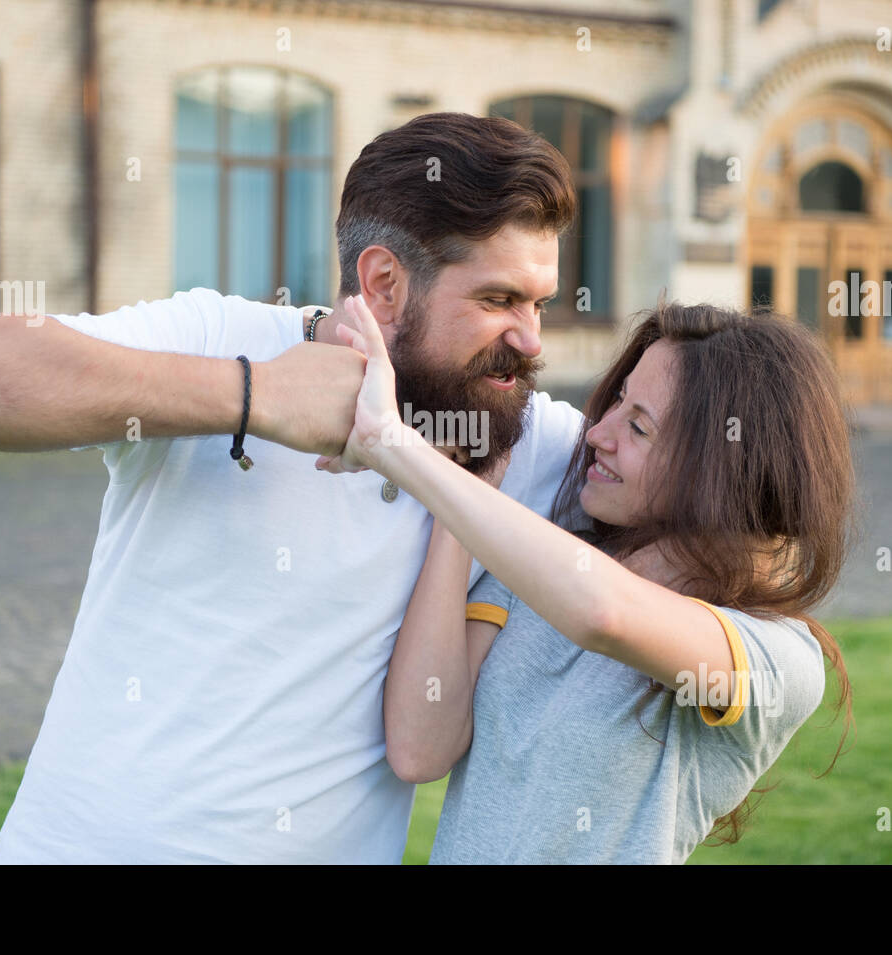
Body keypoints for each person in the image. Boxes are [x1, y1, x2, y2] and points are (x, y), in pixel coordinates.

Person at [0, 112, 584, 863]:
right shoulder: (215, 333)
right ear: (383, 284)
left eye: (540, 303)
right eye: (498, 301)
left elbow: (709, 475)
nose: (531, 339)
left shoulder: (510, 429)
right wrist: (256, 394)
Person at [318, 294, 856, 864]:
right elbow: (419, 749)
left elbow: (604, 616)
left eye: (640, 427)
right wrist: (466, 499)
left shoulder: (778, 658)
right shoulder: (550, 564)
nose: (598, 432)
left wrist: (390, 445)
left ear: (722, 468)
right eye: (618, 401)